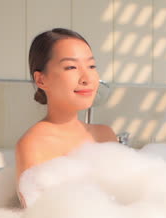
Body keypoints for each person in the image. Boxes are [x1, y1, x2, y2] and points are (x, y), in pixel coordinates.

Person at [16, 28, 118, 207]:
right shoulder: (33, 144)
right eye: (71, 67)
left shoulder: (105, 135)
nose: (87, 78)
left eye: (91, 66)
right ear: (41, 80)